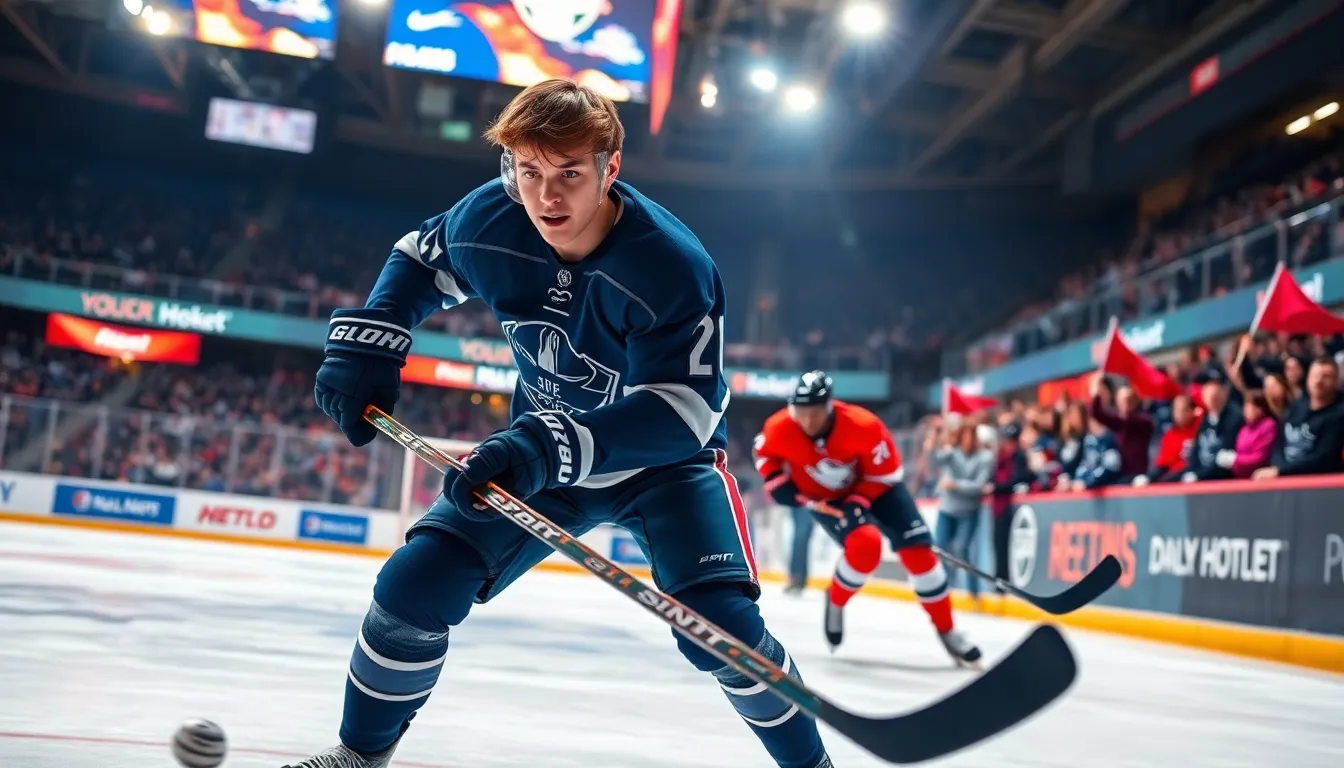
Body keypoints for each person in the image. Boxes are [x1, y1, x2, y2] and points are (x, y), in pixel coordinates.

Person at [294, 80, 833, 768]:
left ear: (611, 168)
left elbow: (686, 411)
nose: (546, 197)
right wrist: (374, 337)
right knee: (413, 587)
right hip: (541, 459)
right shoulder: (492, 219)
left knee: (719, 631)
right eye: (529, 171)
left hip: (662, 468)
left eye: (570, 174)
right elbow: (421, 257)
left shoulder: (671, 264)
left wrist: (547, 446)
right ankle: (359, 758)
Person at [753, 371, 981, 666]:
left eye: (815, 413)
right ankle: (836, 599)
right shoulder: (779, 426)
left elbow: (888, 472)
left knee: (921, 556)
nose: (807, 421)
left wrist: (859, 500)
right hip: (828, 500)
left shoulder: (863, 425)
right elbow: (764, 454)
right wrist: (774, 480)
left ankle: (948, 630)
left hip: (879, 489)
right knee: (866, 547)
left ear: (829, 406)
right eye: (801, 412)